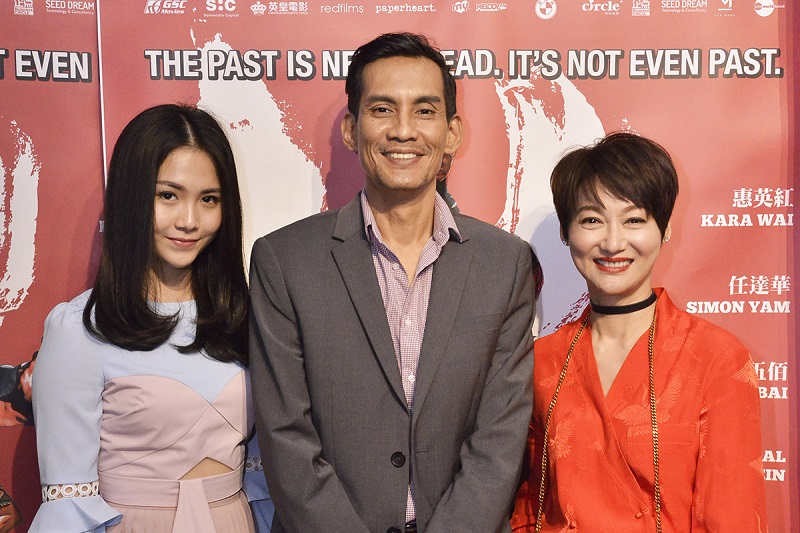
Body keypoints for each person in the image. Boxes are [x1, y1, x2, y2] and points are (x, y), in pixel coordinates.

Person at [249, 32, 536, 533]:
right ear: (350, 129)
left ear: (452, 133)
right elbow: (285, 437)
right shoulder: (284, 261)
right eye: (382, 109)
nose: (404, 131)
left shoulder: (505, 264)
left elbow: (499, 439)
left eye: (424, 111)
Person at [30, 104, 273, 532]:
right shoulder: (81, 329)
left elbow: (260, 472)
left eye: (209, 199)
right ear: (131, 198)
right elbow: (69, 501)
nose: (190, 220)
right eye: (168, 195)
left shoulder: (245, 316)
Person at [511, 132, 767, 532]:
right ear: (566, 233)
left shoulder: (715, 357)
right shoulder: (540, 362)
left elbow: (732, 516)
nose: (613, 243)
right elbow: (529, 509)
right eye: (591, 220)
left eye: (634, 220)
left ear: (664, 229)